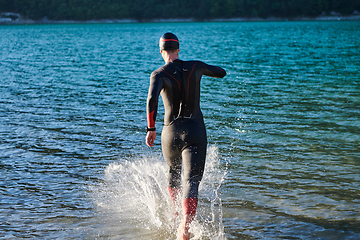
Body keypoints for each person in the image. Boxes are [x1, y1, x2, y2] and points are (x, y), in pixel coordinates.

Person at [145, 32, 226, 240]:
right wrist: (203, 69)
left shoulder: (159, 74)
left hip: (169, 133)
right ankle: (185, 226)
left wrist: (151, 129)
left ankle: (176, 212)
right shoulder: (195, 66)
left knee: (173, 172)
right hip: (195, 131)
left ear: (161, 51)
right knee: (191, 180)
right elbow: (221, 72)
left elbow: (151, 101)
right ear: (178, 49)